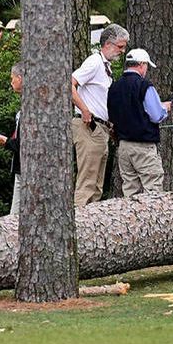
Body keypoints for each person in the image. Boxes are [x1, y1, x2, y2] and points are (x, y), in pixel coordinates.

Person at [71, 22, 128, 206]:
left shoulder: (105, 66)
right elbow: (69, 83)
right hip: (89, 127)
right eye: (120, 46)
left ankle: (91, 226)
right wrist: (85, 109)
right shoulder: (94, 62)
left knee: (97, 185)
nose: (122, 51)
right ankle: (78, 221)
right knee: (87, 181)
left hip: (101, 129)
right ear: (108, 44)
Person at [107, 48, 172, 197]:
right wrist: (164, 109)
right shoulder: (144, 86)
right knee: (153, 190)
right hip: (143, 146)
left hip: (123, 146)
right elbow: (156, 116)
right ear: (141, 64)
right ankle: (153, 220)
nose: (146, 69)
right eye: (147, 66)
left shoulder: (114, 87)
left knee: (130, 191)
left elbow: (112, 115)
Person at [0, 61, 23, 214]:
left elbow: (24, 144)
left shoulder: (31, 107)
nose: (11, 82)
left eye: (12, 78)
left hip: (25, 169)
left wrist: (6, 142)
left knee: (14, 216)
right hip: (21, 168)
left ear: (21, 78)